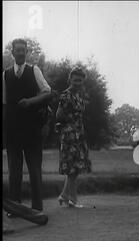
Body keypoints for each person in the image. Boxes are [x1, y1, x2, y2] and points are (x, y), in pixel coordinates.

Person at [2, 38, 52, 216]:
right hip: (13, 130)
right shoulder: (5, 74)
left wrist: (30, 102)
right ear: (13, 52)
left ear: (27, 52)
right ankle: (15, 208)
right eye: (18, 50)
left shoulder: (34, 70)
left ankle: (37, 209)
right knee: (14, 171)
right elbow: (4, 103)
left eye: (24, 50)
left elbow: (47, 92)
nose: (21, 53)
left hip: (32, 128)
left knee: (34, 169)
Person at [56, 67, 92, 208]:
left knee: (76, 168)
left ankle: (65, 196)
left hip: (79, 134)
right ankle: (72, 199)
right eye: (75, 80)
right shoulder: (66, 96)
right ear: (70, 79)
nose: (78, 83)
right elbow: (59, 115)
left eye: (80, 81)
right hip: (70, 135)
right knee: (72, 168)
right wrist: (66, 124)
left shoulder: (78, 96)